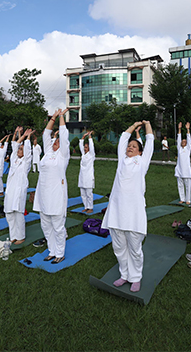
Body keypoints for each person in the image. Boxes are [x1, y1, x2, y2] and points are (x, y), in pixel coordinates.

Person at [102, 120, 154, 293]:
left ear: (140, 151)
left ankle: (136, 277)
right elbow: (123, 137)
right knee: (118, 247)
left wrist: (146, 124)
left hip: (134, 213)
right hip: (116, 210)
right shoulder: (122, 161)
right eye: (129, 146)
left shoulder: (142, 162)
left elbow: (150, 141)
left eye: (134, 146)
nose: (130, 147)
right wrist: (133, 125)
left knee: (134, 247)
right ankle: (124, 274)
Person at [33, 108, 70, 264]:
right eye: (55, 141)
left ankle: (59, 253)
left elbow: (63, 133)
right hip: (43, 193)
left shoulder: (63, 155)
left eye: (59, 141)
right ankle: (52, 250)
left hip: (56, 194)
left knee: (58, 226)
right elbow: (45, 134)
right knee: (46, 225)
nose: (56, 142)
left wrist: (62, 116)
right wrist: (53, 117)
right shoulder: (48, 152)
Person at [4, 127, 33, 244]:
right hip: (10, 190)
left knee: (18, 213)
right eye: (19, 149)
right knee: (9, 213)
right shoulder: (14, 160)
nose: (19, 150)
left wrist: (27, 138)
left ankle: (20, 236)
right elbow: (15, 145)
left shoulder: (26, 163)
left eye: (22, 149)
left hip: (19, 190)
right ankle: (13, 235)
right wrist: (20, 135)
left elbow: (27, 150)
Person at [174, 122, 191, 206]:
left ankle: (188, 199)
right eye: (182, 141)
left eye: (184, 141)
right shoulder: (179, 149)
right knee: (180, 185)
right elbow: (178, 139)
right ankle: (182, 198)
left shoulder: (188, 149)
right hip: (179, 170)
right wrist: (179, 129)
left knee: (188, 186)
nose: (183, 142)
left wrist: (188, 129)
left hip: (187, 171)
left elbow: (189, 139)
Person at [78, 131, 96, 213]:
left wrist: (89, 137)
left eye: (86, 147)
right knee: (82, 193)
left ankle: (90, 207)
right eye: (84, 147)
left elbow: (92, 146)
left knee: (89, 193)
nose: (85, 149)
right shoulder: (83, 155)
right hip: (82, 176)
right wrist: (83, 137)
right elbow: (80, 146)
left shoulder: (91, 155)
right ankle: (86, 206)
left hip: (88, 177)